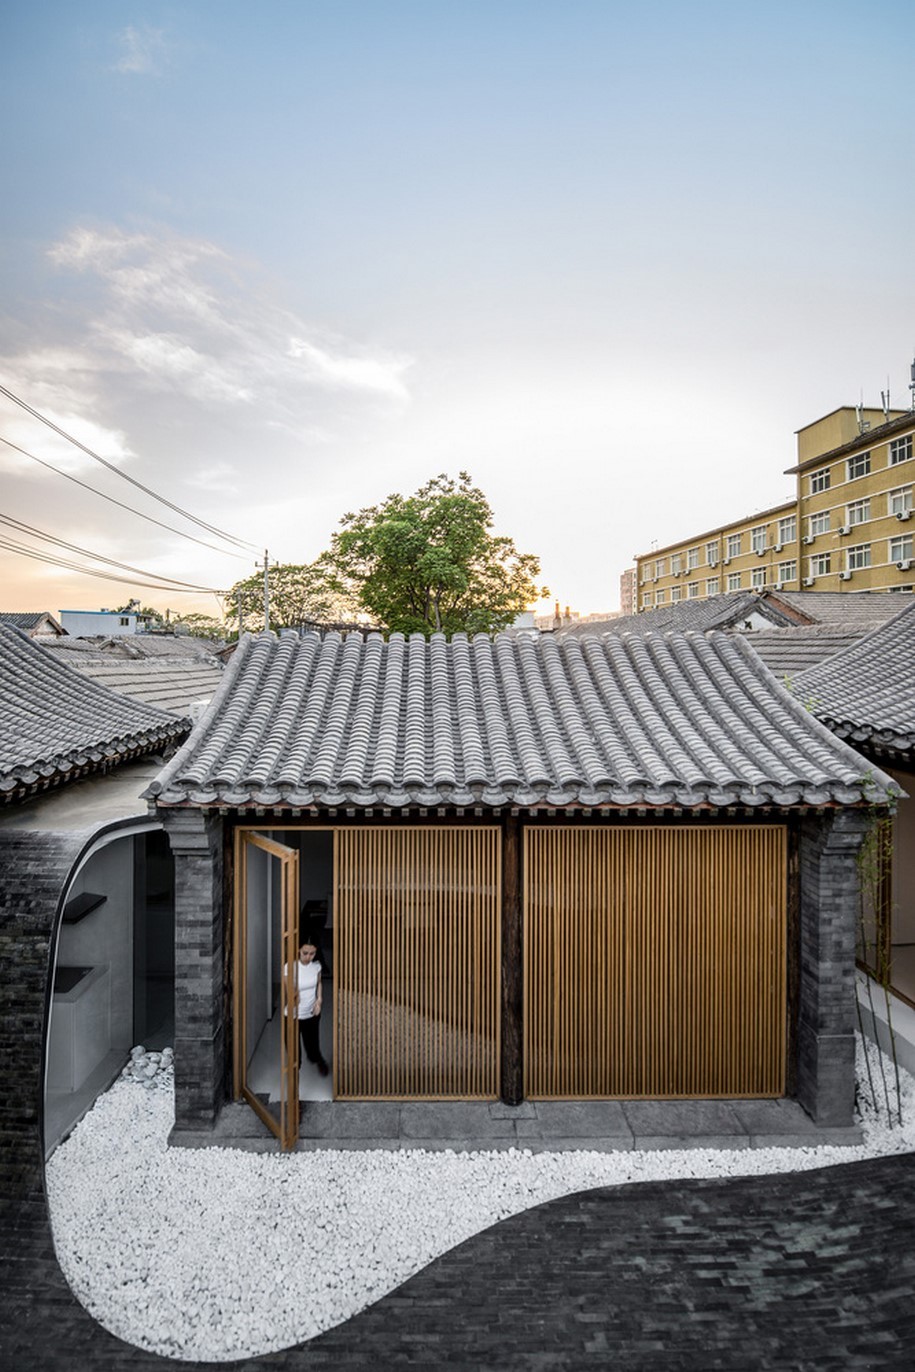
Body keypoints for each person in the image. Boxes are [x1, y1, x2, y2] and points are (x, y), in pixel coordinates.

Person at [285, 939, 329, 1077]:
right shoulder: (290, 967)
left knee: (312, 1047)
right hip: (293, 1015)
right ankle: (294, 1080)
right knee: (293, 1052)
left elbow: (319, 983)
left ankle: (317, 1059)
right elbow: (287, 990)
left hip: (312, 1013)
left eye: (312, 953)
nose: (308, 957)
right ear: (299, 950)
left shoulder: (316, 966)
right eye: (305, 953)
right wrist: (294, 995)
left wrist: (319, 1000)